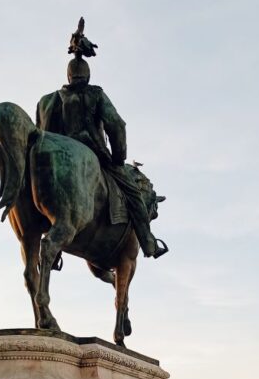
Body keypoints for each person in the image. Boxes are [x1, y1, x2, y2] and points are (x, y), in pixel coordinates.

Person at [35, 20, 168, 259]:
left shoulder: (47, 101)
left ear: (69, 74)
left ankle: (52, 247)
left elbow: (40, 136)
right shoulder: (95, 94)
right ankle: (149, 243)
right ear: (86, 74)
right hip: (93, 151)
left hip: (47, 163)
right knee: (135, 195)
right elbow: (116, 125)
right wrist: (118, 158)